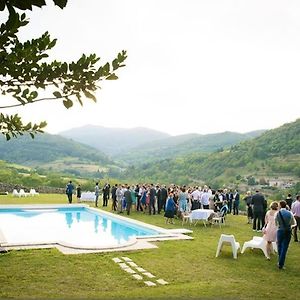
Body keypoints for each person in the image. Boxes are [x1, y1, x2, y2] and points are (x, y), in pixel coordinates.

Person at [275, 200, 296, 270]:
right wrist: (290, 226)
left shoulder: (277, 213)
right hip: (288, 231)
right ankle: (281, 263)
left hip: (280, 230)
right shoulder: (290, 213)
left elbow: (276, 223)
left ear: (280, 205)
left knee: (279, 245)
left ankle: (280, 260)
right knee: (285, 247)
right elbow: (294, 223)